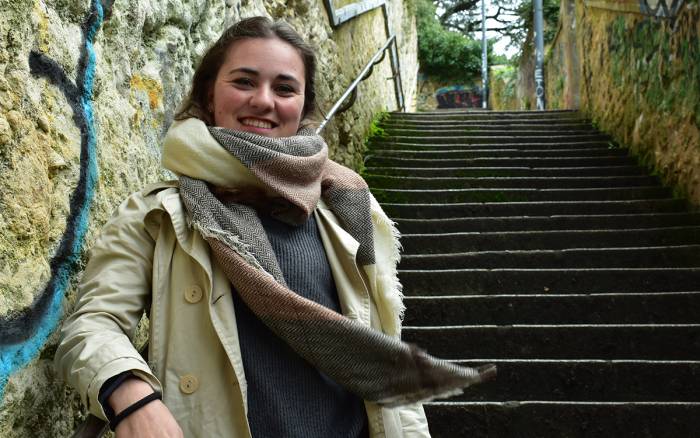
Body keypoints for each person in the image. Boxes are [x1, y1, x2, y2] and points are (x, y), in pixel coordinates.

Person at [56, 16, 487, 438]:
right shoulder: (159, 216)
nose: (264, 100)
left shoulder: (344, 208)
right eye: (243, 81)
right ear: (209, 94)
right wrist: (132, 397)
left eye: (284, 88)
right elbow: (93, 325)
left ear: (302, 105)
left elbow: (377, 351)